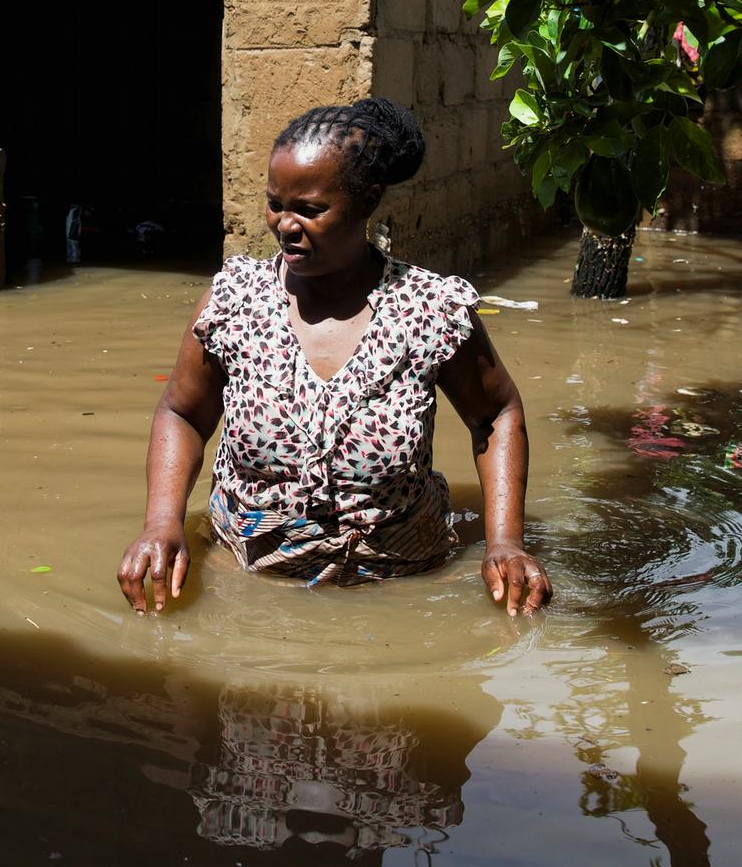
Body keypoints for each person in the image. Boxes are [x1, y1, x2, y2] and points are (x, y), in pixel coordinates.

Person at [117, 98, 552, 617]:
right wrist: (162, 525)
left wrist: (505, 541)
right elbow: (183, 412)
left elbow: (495, 414)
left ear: (367, 202)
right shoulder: (235, 301)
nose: (285, 224)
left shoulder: (429, 310)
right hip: (251, 587)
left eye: (310, 209)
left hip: (402, 593)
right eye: (276, 203)